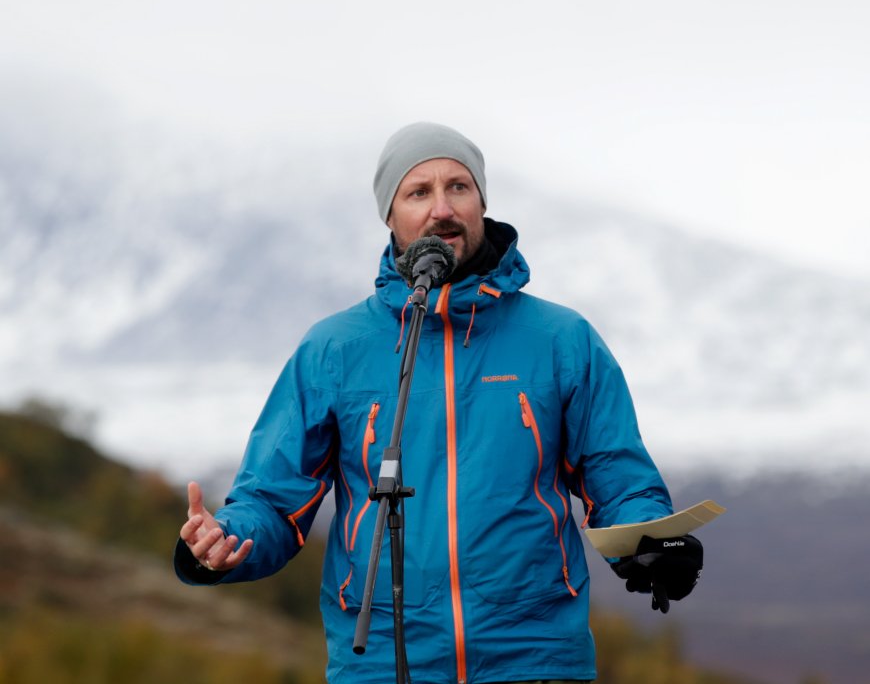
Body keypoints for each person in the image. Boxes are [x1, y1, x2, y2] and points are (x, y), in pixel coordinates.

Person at [175, 121, 702, 684]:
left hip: (534, 658)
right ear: (389, 215)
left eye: (458, 187)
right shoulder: (334, 350)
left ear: (481, 202)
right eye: (418, 192)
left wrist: (651, 541)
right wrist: (224, 539)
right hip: (380, 662)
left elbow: (618, 480)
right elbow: (272, 499)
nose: (442, 209)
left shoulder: (561, 340)